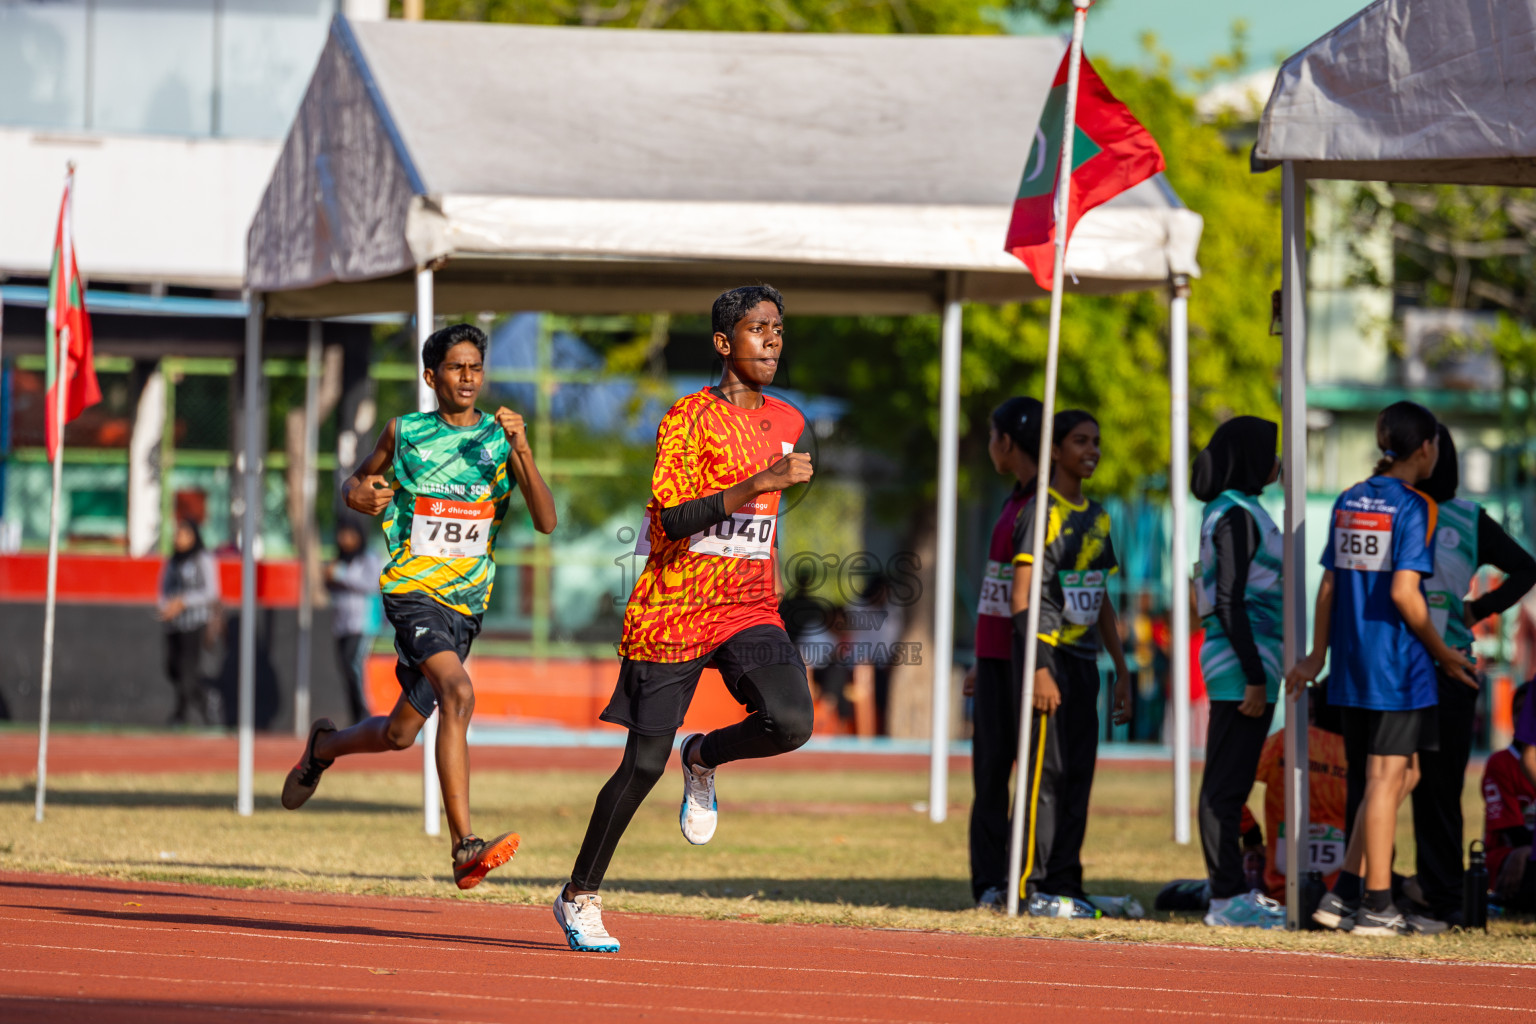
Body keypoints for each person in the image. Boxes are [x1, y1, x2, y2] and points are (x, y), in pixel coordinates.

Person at [554, 285, 813, 953]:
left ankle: (702, 757)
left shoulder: (789, 419)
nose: (773, 341)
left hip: (748, 608)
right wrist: (760, 483)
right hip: (675, 606)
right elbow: (669, 519)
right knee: (641, 765)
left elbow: (772, 513)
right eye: (759, 329)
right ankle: (579, 895)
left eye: (779, 329)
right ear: (725, 342)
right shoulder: (686, 418)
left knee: (791, 722)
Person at [280, 323, 557, 894]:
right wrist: (358, 495)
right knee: (459, 693)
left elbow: (546, 520)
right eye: (456, 367)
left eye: (476, 367)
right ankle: (464, 847)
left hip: (466, 606)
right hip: (412, 592)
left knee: (402, 733)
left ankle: (324, 746)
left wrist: (523, 448)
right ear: (431, 377)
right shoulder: (406, 433)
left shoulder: (500, 441)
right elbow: (358, 484)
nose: (468, 378)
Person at [1287, 401, 1474, 936]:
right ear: (1426, 449)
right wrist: (1443, 652)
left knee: (1397, 775)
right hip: (1397, 666)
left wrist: (1316, 655)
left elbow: (1328, 585)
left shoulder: (1349, 499)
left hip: (1350, 665)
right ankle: (1377, 905)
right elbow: (1405, 594)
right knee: (1386, 777)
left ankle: (1343, 894)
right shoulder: (1417, 507)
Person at [1408, 425, 1536, 924]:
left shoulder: (1449, 515)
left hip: (1437, 666)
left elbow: (1527, 568)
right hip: (1428, 666)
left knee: (1432, 787)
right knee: (1422, 786)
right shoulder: (1420, 511)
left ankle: (1437, 898)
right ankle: (1408, 893)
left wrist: (1476, 609)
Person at [1011, 409, 1132, 914]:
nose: (1092, 451)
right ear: (1055, 450)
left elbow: (1100, 596)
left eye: (1096, 441)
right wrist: (1038, 666)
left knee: (1079, 775)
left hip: (1085, 665)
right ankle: (1030, 886)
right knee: (1046, 775)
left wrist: (1122, 670)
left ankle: (1067, 882)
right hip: (1050, 660)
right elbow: (1021, 598)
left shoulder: (1100, 516)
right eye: (1080, 441)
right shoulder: (1041, 512)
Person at [1189, 416, 1286, 928]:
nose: (1278, 462)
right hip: (1240, 667)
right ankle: (1226, 897)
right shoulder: (1235, 516)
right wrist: (1251, 673)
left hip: (1256, 664)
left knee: (1230, 785)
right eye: (1271, 452)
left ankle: (1230, 893)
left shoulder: (1245, 511)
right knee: (1224, 790)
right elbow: (1228, 599)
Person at [963, 395, 1043, 911]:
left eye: (992, 437)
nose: (990, 447)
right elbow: (996, 588)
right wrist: (980, 654)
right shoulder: (1013, 501)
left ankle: (1023, 880)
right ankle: (990, 883)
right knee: (990, 774)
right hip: (995, 660)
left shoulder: (1041, 507)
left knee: (1029, 774)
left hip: (1026, 661)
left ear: (1007, 443)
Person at [157, 518, 221, 725]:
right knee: (172, 668)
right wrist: (166, 606)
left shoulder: (203, 559)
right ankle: (193, 706)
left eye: (184, 535)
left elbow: (211, 593)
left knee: (188, 671)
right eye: (177, 535)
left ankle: (190, 710)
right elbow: (164, 590)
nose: (179, 539)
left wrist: (184, 602)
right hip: (174, 624)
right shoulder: (173, 561)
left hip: (195, 623)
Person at [325, 519, 386, 725]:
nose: (344, 539)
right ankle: (355, 717)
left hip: (363, 624)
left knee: (355, 665)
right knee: (345, 668)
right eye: (342, 534)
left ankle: (365, 713)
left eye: (349, 534)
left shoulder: (369, 558)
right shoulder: (339, 560)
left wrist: (341, 574)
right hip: (342, 625)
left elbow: (372, 583)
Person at [1484, 684, 1536, 912]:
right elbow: (1513, 832)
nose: (1521, 717)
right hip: (1508, 854)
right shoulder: (1501, 763)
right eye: (1517, 711)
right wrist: (1528, 849)